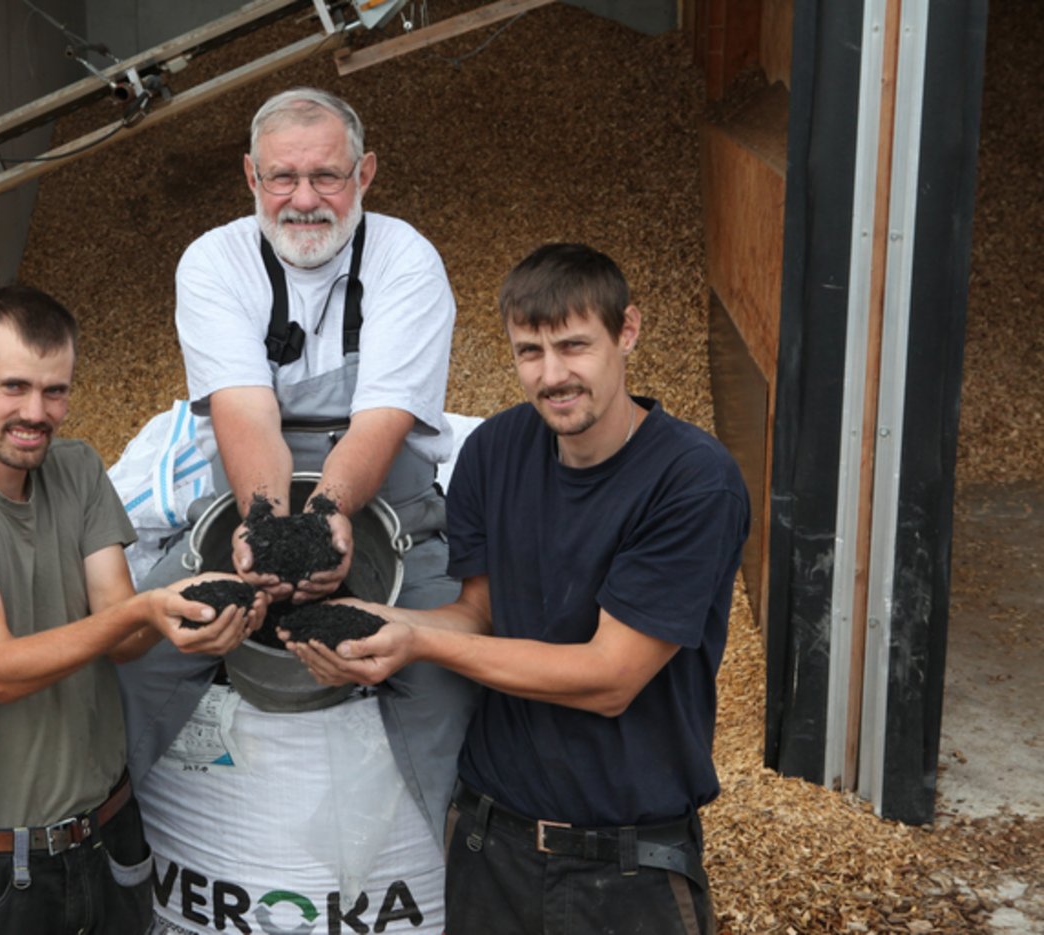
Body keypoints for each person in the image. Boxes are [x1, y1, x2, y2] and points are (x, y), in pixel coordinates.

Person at [288, 243, 751, 934]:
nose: (553, 374)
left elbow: (609, 677)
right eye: (530, 350)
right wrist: (375, 620)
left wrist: (417, 642)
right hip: (488, 844)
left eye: (574, 346)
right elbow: (479, 615)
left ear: (628, 332)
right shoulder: (495, 450)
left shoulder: (691, 480)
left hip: (624, 863)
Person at [116, 87, 476, 933]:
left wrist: (336, 515)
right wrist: (269, 532)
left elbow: (382, 421)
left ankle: (460, 872)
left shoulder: (407, 260)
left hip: (386, 495)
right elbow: (244, 415)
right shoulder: (213, 261)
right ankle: (113, 861)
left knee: (443, 676)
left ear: (366, 174)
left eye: (327, 176)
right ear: (250, 175)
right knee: (138, 656)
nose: (305, 198)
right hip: (250, 488)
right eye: (283, 177)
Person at [0, 284, 263, 935]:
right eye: (15, 387)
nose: (37, 411)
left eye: (55, 390)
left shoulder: (78, 469)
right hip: (1, 870)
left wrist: (182, 618)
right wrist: (143, 609)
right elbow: (0, 669)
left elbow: (119, 633)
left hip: (110, 839)